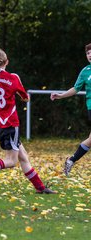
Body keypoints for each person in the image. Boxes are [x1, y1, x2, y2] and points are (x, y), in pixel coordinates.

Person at [0, 45, 56, 194]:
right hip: (11, 123)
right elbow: (25, 98)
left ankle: (40, 188)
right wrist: (22, 95)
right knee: (11, 161)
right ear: (6, 62)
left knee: (23, 156)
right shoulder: (13, 78)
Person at [50, 43, 91, 176]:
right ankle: (71, 160)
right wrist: (61, 95)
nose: (89, 55)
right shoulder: (85, 71)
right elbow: (75, 89)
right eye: (88, 53)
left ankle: (71, 160)